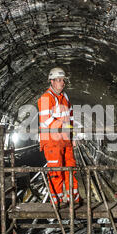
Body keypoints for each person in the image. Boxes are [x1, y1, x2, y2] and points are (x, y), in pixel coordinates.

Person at [38, 67, 81, 207]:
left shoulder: (65, 97)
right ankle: (57, 203)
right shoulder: (46, 98)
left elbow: (71, 118)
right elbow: (46, 120)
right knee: (56, 172)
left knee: (70, 168)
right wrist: (63, 126)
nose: (62, 83)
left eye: (63, 80)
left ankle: (73, 199)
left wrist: (73, 136)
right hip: (52, 142)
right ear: (51, 81)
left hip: (65, 140)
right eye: (58, 80)